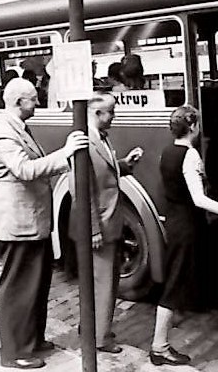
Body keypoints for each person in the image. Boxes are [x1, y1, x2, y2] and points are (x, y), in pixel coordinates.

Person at [0, 78, 88, 369]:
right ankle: (15, 351)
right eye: (33, 99)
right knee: (18, 288)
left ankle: (32, 339)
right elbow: (24, 169)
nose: (38, 102)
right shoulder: (4, 131)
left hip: (31, 220)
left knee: (36, 285)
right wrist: (66, 153)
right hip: (19, 223)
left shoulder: (16, 127)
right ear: (19, 102)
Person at [149, 105, 218, 366]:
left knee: (180, 277)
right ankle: (159, 347)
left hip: (176, 223)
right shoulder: (190, 155)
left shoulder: (167, 152)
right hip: (186, 227)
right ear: (193, 127)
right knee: (174, 285)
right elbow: (199, 199)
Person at [68, 92, 143, 354]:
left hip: (107, 221)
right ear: (97, 113)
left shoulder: (99, 138)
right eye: (111, 112)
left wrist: (125, 164)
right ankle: (100, 337)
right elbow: (82, 190)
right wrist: (93, 230)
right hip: (100, 223)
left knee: (100, 281)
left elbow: (105, 173)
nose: (114, 116)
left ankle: (90, 326)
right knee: (104, 283)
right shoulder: (84, 142)